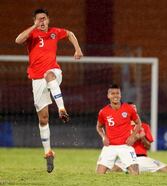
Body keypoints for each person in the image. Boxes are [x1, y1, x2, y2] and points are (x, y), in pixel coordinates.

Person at [15, 8, 83, 173]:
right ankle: (48, 152)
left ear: (49, 19)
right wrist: (34, 26)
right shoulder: (31, 34)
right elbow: (18, 40)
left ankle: (61, 108)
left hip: (53, 73)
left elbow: (70, 34)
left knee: (50, 74)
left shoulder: (54, 32)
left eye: (44, 19)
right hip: (37, 80)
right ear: (35, 21)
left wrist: (78, 49)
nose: (42, 22)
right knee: (43, 119)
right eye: (39, 19)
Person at [96, 84, 143, 175]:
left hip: (125, 146)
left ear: (120, 95)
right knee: (99, 174)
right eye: (112, 93)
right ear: (108, 95)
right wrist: (103, 137)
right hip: (109, 147)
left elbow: (139, 123)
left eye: (117, 93)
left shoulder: (129, 108)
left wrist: (132, 137)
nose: (115, 96)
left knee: (135, 174)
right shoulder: (103, 111)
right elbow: (99, 126)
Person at [112, 103, 167, 173]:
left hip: (142, 158)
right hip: (126, 158)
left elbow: (148, 147)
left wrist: (143, 138)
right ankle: (130, 170)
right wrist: (136, 137)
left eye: (134, 108)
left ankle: (131, 170)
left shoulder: (145, 126)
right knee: (111, 171)